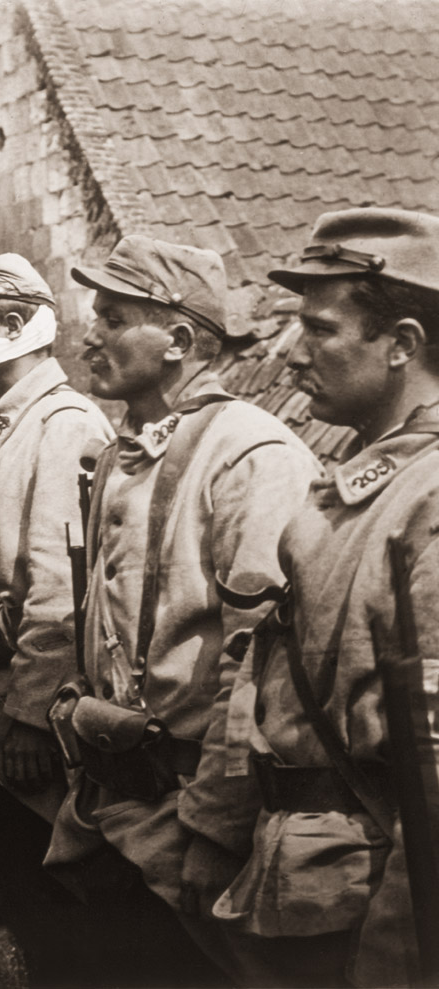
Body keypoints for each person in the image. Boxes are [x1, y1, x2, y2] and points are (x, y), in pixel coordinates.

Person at [43, 235, 320, 987]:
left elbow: (262, 669)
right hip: (116, 812)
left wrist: (214, 828)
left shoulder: (252, 456)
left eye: (114, 316)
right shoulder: (122, 451)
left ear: (182, 340)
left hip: (194, 820)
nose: (89, 334)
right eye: (93, 312)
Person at [188, 208, 439, 988]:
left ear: (401, 344)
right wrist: (214, 831)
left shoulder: (427, 501)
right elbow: (263, 675)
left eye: (321, 331)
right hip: (296, 886)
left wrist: (400, 960)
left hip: (375, 909)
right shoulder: (362, 484)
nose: (292, 354)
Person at [0, 253, 114, 985]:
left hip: (20, 719)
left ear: (13, 325)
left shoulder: (63, 426)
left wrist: (34, 712)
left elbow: (60, 588)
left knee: (52, 922)